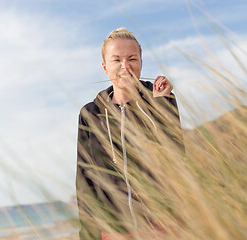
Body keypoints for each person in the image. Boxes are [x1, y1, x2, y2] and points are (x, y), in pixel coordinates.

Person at [76, 28, 183, 239]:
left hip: (161, 228)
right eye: (116, 60)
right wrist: (88, 234)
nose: (125, 66)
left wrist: (163, 106)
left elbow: (175, 159)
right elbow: (84, 180)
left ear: (141, 63)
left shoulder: (159, 101)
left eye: (132, 58)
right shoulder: (90, 113)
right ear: (105, 67)